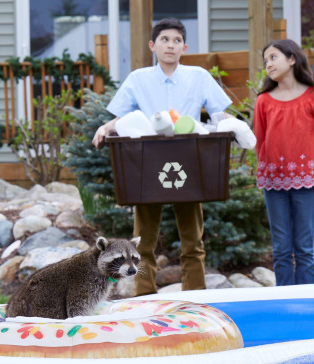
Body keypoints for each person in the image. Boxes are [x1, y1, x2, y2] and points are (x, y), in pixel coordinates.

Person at [92, 17, 232, 296]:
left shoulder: (198, 76)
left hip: (188, 159)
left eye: (177, 40)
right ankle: (144, 296)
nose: (171, 45)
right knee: (144, 239)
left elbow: (220, 114)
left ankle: (196, 296)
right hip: (148, 160)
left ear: (185, 47)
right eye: (165, 40)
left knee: (193, 239)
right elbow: (123, 116)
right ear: (153, 45)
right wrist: (105, 127)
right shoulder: (139, 79)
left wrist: (234, 128)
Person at [253, 39, 314, 285]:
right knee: (281, 248)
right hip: (273, 181)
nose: (268, 64)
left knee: (304, 247)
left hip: (308, 179)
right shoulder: (263, 101)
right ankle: (284, 301)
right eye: (265, 60)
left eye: (273, 57)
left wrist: (306, 161)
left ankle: (307, 302)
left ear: (292, 59)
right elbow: (260, 141)